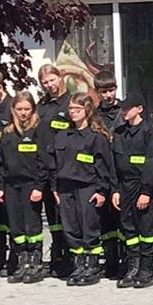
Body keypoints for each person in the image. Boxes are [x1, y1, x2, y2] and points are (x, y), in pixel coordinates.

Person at [53, 94, 115, 287]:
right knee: (71, 229)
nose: (72, 113)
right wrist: (55, 188)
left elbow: (104, 166)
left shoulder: (96, 137)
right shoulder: (63, 135)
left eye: (77, 109)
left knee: (90, 228)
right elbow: (55, 164)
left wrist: (102, 191)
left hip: (88, 187)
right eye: (71, 109)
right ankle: (79, 264)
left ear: (87, 110)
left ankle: (92, 264)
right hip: (66, 188)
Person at [0, 92, 53, 284]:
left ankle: (35, 263)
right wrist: (0, 187)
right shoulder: (8, 133)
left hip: (31, 185)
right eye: (19, 109)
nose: (23, 113)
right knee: (16, 226)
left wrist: (39, 186)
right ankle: (22, 263)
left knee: (32, 226)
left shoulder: (40, 129)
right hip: (12, 185)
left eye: (27, 109)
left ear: (33, 110)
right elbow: (0, 162)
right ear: (13, 110)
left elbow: (44, 162)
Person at [110, 97, 153, 289]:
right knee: (128, 227)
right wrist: (114, 189)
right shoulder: (120, 133)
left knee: (146, 228)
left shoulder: (149, 132)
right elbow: (114, 163)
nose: (124, 111)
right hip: (124, 186)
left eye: (129, 108)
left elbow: (151, 163)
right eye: (123, 108)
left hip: (141, 185)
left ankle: (147, 267)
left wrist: (146, 191)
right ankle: (133, 265)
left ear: (139, 109)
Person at [36, 64, 73, 275]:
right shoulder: (42, 106)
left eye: (52, 79)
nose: (49, 85)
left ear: (61, 77)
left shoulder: (71, 102)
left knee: (66, 213)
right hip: (46, 164)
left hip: (65, 165)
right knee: (52, 215)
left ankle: (70, 254)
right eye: (45, 82)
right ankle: (57, 250)